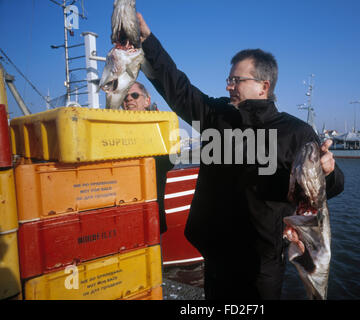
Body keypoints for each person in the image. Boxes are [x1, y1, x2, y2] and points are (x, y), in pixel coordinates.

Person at [136, 13, 344, 299]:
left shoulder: (296, 132)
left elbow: (327, 190)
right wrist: (147, 41)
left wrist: (329, 171)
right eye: (228, 79)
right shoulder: (216, 115)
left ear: (263, 86)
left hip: (262, 261)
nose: (228, 86)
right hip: (216, 253)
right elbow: (178, 89)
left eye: (236, 80)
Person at [122, 81, 173, 235]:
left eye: (135, 95)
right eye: (125, 97)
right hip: (124, 215)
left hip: (152, 215)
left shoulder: (160, 127)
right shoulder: (116, 131)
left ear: (147, 100)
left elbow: (169, 161)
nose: (129, 99)